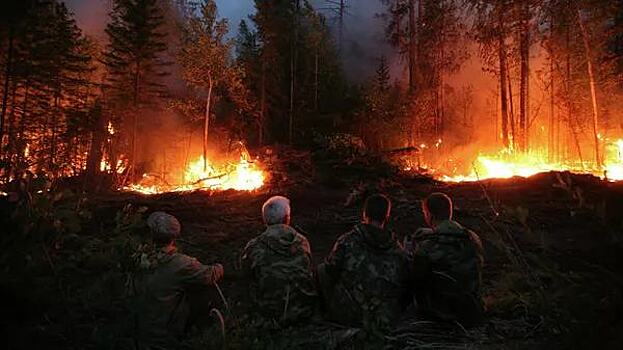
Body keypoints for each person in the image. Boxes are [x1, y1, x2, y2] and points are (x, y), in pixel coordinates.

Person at [318, 194, 411, 332]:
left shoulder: (347, 241)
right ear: (387, 217)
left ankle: (324, 314)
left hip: (349, 314)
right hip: (384, 318)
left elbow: (330, 271)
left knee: (321, 270)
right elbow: (406, 286)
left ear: (364, 214)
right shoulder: (398, 251)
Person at [132, 211, 225, 346]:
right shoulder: (181, 263)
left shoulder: (140, 257)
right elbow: (209, 275)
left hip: (141, 332)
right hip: (164, 335)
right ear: (174, 236)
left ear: (151, 234)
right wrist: (220, 267)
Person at [404, 192, 485, 326]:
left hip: (440, 316)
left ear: (429, 215)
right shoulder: (472, 238)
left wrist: (408, 254)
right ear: (450, 212)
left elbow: (415, 280)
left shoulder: (427, 246)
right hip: (472, 312)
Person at [240, 196, 318, 325]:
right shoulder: (302, 242)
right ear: (286, 218)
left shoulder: (254, 247)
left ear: (265, 220)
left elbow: (246, 276)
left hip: (269, 316)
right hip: (304, 310)